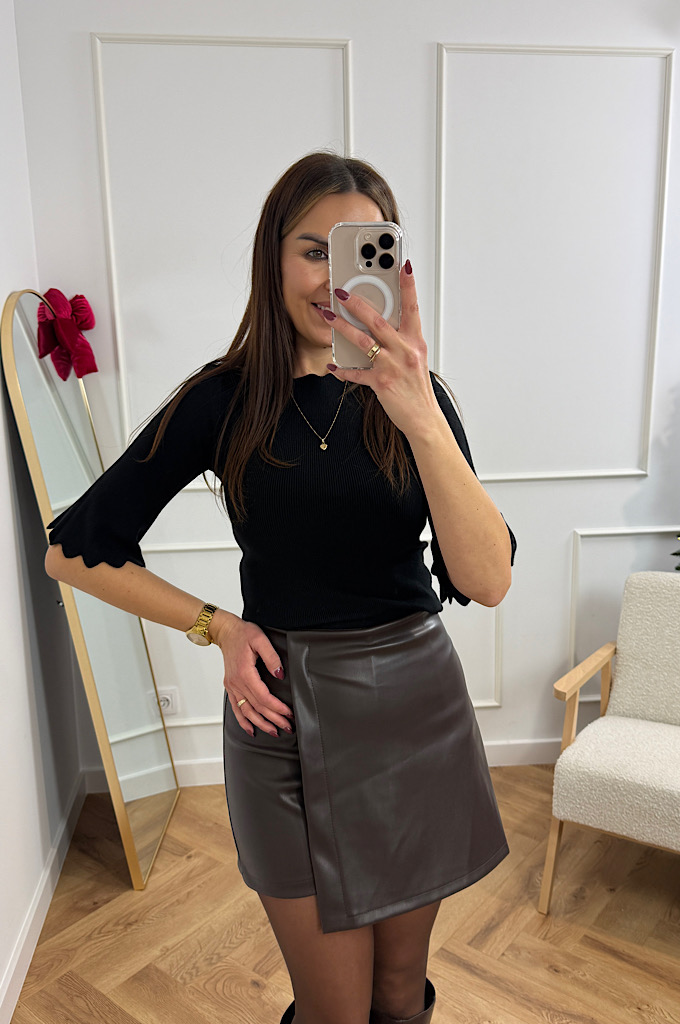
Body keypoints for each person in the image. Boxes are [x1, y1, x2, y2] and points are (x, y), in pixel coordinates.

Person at [45, 151, 516, 1024]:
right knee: (334, 1007)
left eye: (358, 252)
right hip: (280, 721)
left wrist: (416, 408)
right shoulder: (223, 400)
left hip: (414, 713)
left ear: (389, 266)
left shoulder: (417, 400)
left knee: (398, 993)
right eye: (312, 250)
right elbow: (73, 553)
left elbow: (486, 580)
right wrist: (217, 627)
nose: (333, 278)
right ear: (274, 257)